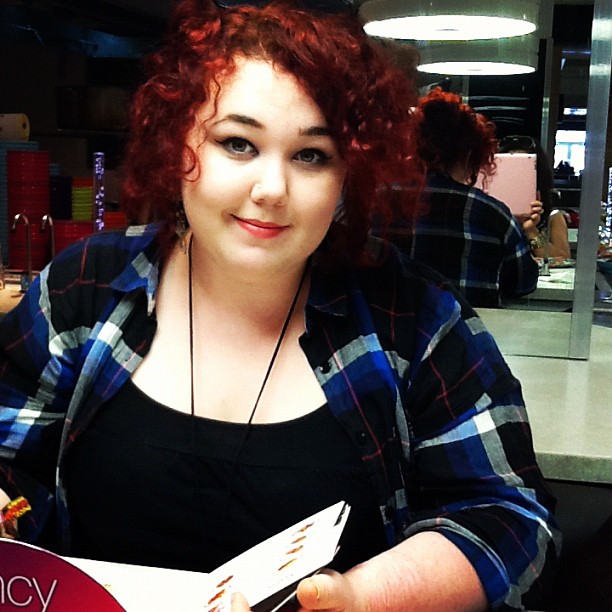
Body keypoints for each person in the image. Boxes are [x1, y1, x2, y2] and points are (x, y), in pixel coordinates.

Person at [0, 1, 560, 610]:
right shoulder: (82, 290)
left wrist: (361, 598)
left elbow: (510, 521)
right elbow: (13, 466)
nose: (271, 189)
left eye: (311, 155)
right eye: (238, 143)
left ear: (349, 174)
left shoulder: (417, 320)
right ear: (178, 143)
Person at [386, 88, 543, 308]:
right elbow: (522, 284)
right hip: (468, 328)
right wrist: (522, 231)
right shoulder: (493, 214)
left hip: (386, 328)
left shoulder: (377, 203)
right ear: (471, 154)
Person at [498, 134, 571, 261]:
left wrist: (531, 230)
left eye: (522, 169)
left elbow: (562, 258)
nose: (515, 177)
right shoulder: (487, 212)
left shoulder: (552, 217)